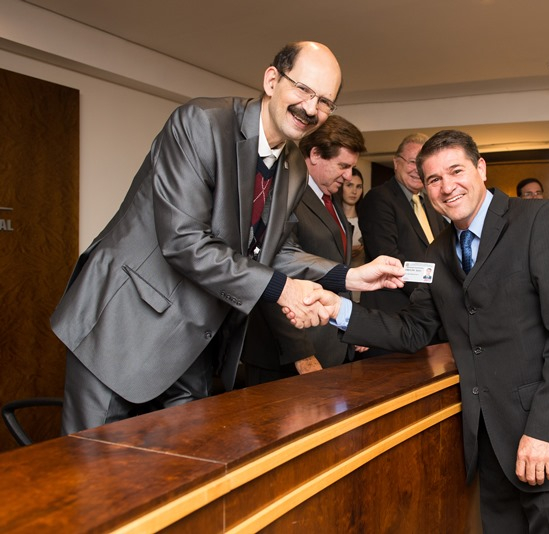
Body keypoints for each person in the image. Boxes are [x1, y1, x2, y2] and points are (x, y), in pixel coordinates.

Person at [50, 41, 404, 434]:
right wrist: (283, 290)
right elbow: (184, 241)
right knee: (95, 465)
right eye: (303, 89)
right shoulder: (201, 123)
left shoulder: (292, 166)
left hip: (198, 340)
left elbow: (276, 249)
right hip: (125, 324)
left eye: (324, 101)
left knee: (187, 464)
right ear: (272, 80)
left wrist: (349, 276)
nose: (310, 108)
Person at [296, 130, 549, 533]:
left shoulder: (538, 220)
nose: (447, 187)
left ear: (480, 168)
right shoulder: (438, 252)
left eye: (456, 171)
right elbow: (413, 329)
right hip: (492, 448)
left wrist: (544, 431)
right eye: (434, 179)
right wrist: (339, 309)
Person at [242, 114, 366, 383]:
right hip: (289, 356)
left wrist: (353, 327)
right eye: (343, 166)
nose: (348, 176)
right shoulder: (283, 194)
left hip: (331, 347)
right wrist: (301, 353)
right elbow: (269, 272)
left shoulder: (331, 200)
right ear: (315, 154)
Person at [358, 133, 447, 314]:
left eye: (422, 164)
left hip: (426, 309)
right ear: (396, 163)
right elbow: (388, 257)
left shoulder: (430, 203)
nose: (417, 169)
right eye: (413, 162)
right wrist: (431, 294)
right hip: (393, 309)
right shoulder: (379, 199)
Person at [339, 167, 365, 269]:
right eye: (349, 185)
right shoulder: (332, 219)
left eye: (359, 187)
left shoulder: (367, 220)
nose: (354, 191)